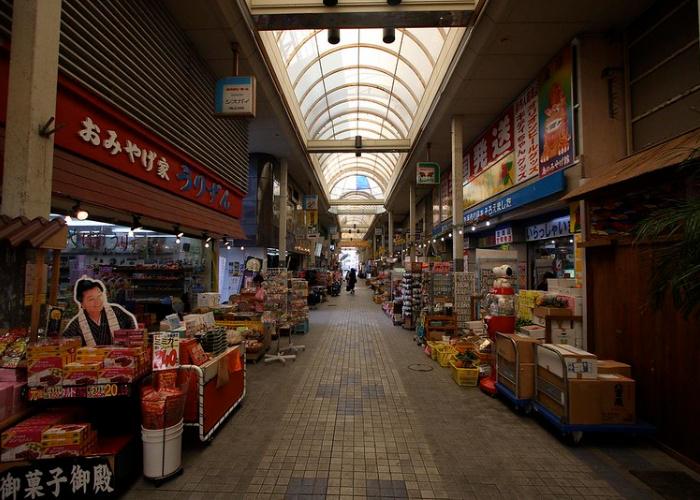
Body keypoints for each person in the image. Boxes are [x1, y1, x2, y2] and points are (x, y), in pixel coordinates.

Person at [63, 278, 137, 346]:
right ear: (82, 304)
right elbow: (65, 344)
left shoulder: (116, 311)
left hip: (117, 356)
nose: (97, 301)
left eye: (99, 296)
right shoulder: (76, 325)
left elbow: (132, 329)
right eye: (91, 299)